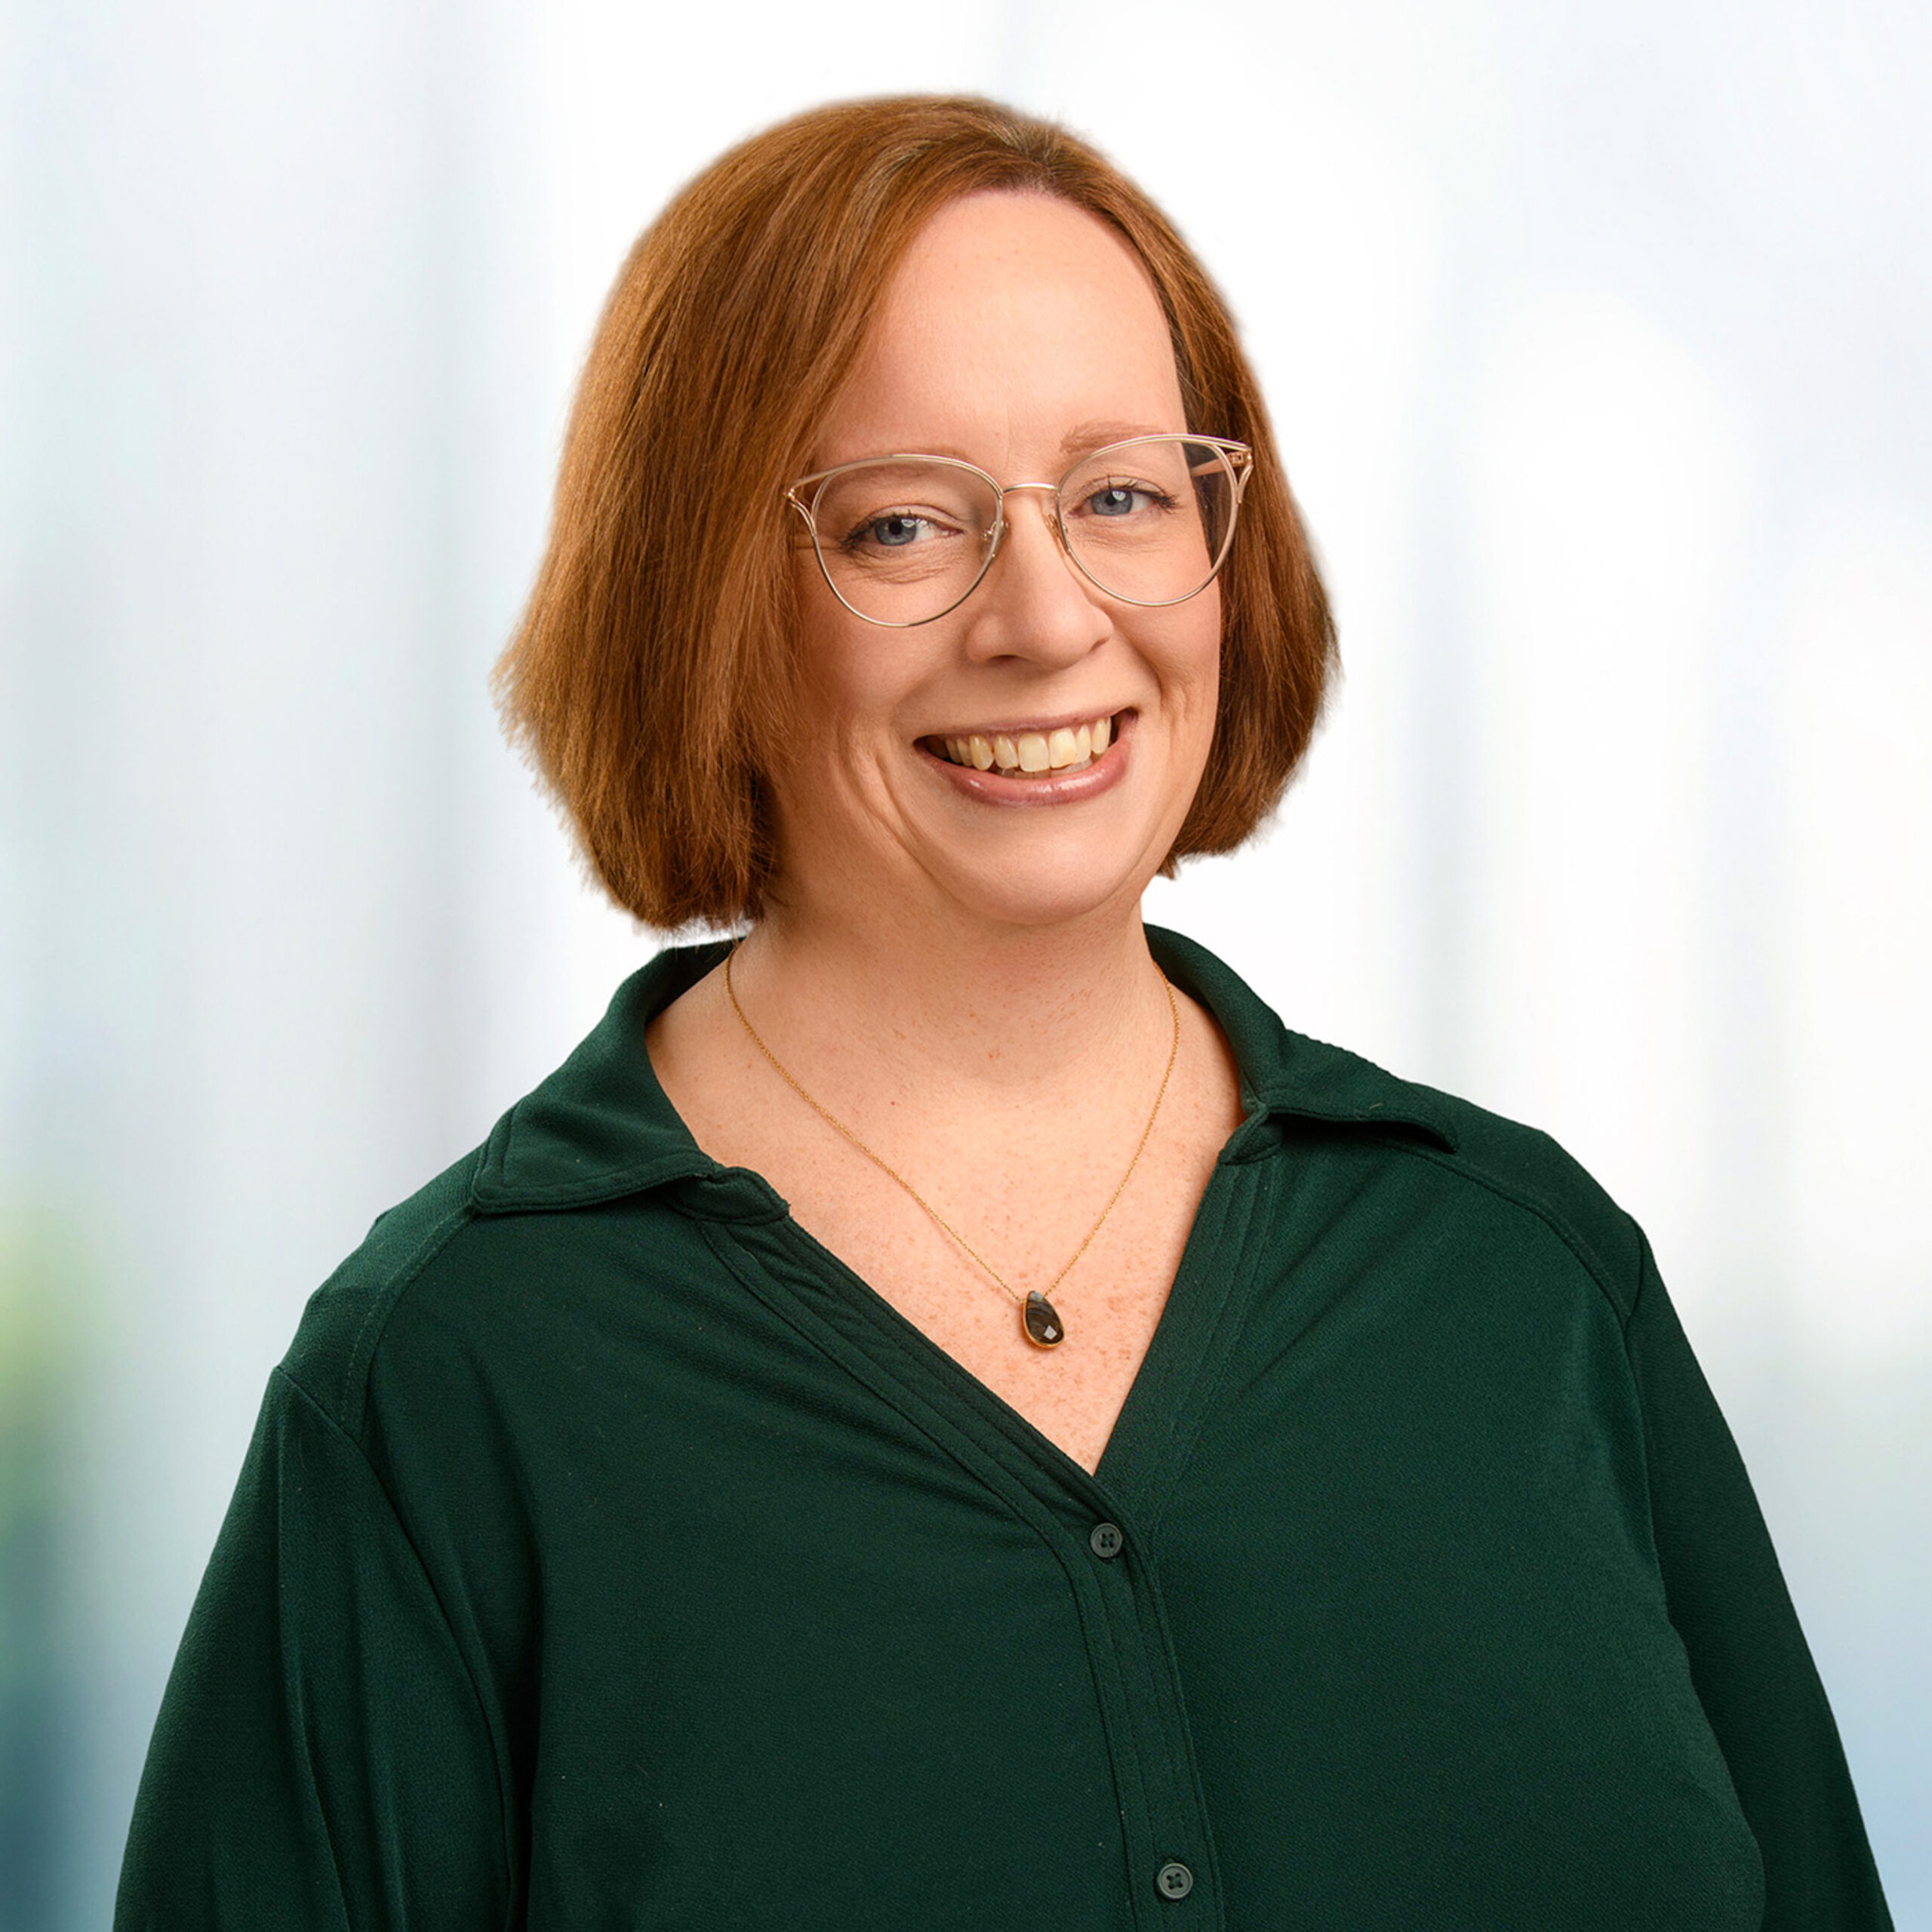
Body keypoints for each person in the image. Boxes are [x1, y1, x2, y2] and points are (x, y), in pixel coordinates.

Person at [115, 96, 1891, 1931]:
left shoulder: (1522, 1285)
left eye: (1122, 492)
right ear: (702, 597)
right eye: (901, 524)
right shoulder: (447, 1385)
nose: (1046, 617)